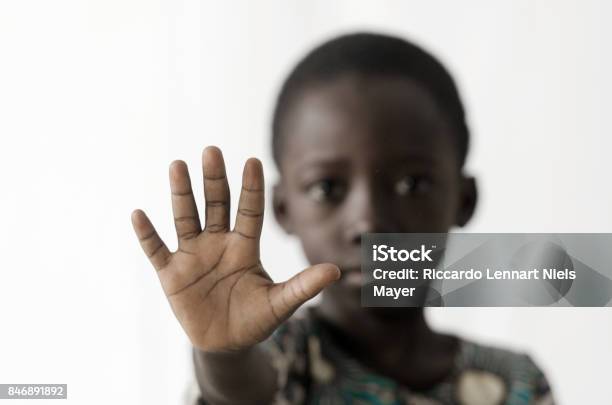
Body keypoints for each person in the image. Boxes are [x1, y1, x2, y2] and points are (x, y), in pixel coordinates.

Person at [131, 33, 555, 405]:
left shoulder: (515, 381)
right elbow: (243, 390)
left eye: (412, 184)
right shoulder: (287, 356)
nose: (368, 221)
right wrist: (223, 354)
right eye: (327, 189)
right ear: (283, 210)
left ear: (464, 200)